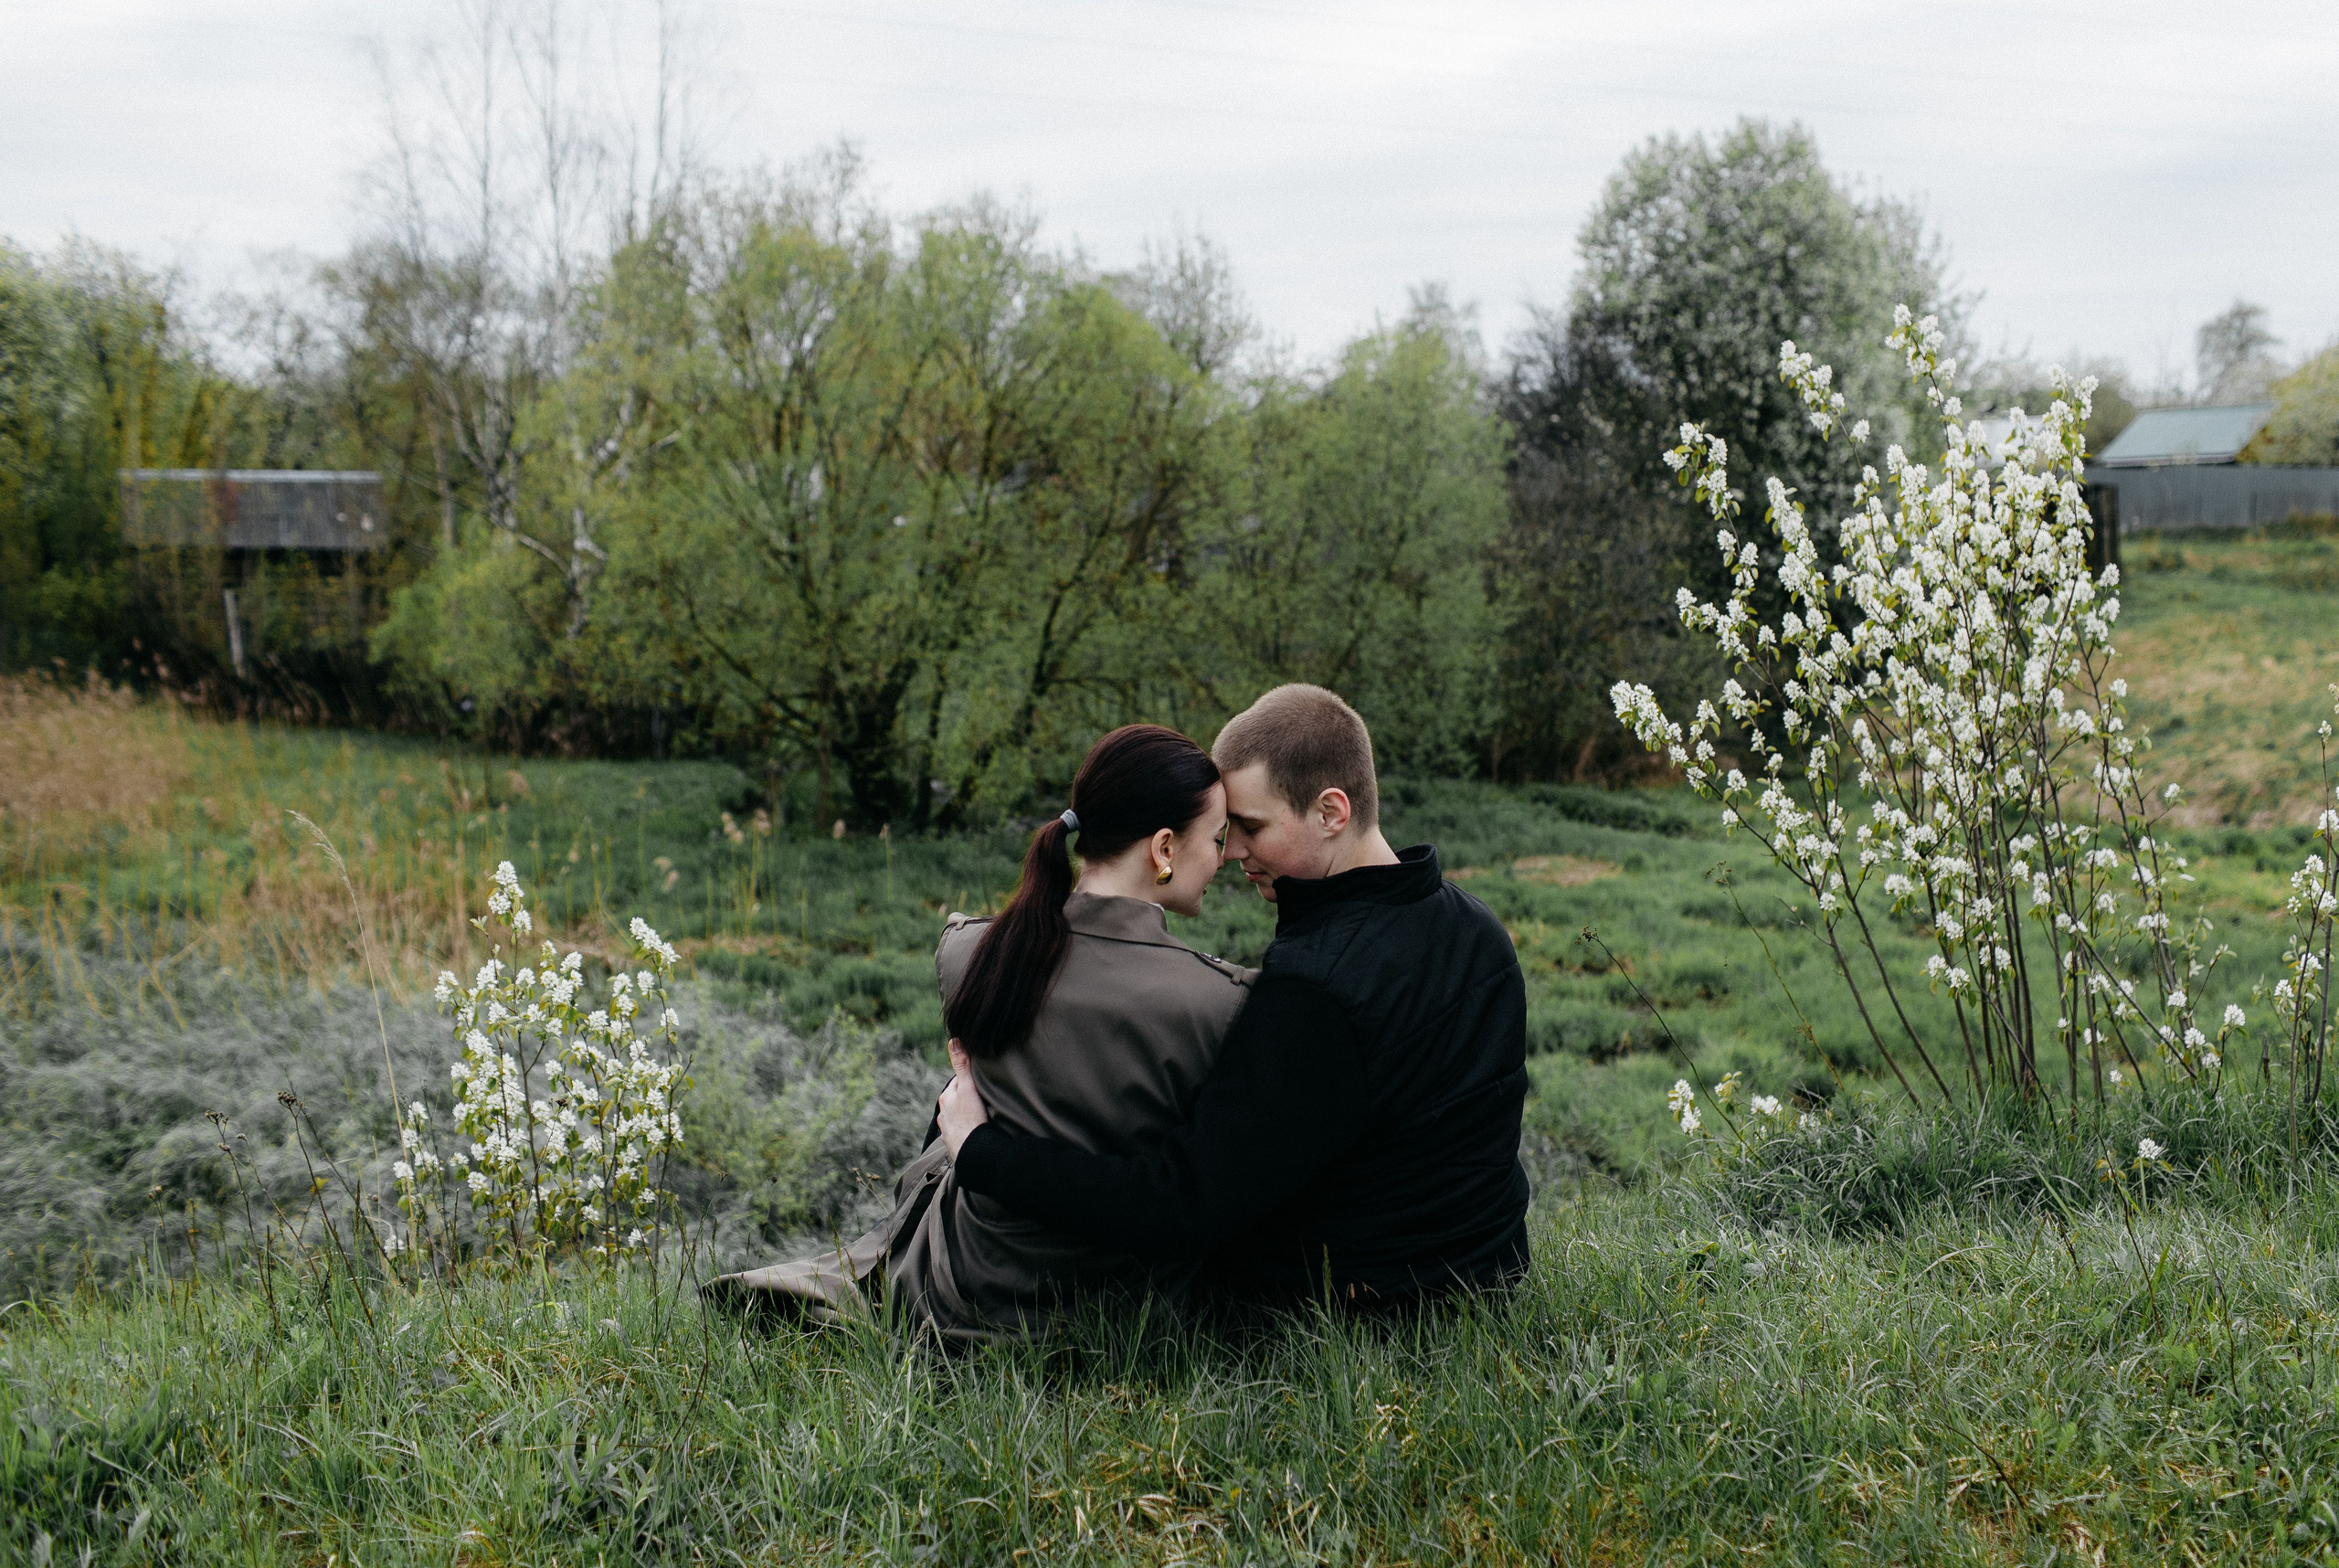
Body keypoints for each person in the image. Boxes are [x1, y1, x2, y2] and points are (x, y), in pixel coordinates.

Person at [938, 683, 1531, 1308]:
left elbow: (1183, 1206)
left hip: (1364, 1308)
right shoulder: (1478, 927)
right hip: (1489, 1270)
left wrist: (984, 1155)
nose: (1234, 854)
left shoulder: (1316, 988)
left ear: (1332, 812)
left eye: (1249, 827)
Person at [705, 725, 1253, 1340]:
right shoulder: (1219, 1002)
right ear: (1163, 849)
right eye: (1216, 839)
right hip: (1116, 1317)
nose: (1225, 858)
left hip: (963, 1296)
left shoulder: (970, 951)